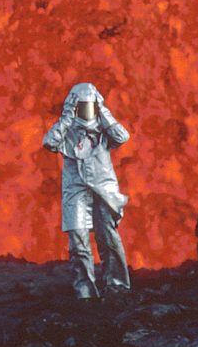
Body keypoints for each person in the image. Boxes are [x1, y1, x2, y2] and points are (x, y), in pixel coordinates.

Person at [42, 82, 131, 299]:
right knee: (78, 240)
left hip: (103, 188)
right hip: (76, 190)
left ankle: (117, 286)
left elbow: (122, 136)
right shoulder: (67, 130)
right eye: (82, 106)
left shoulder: (103, 128)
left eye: (90, 106)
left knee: (108, 237)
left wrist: (103, 112)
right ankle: (85, 293)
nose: (86, 111)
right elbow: (49, 142)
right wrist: (66, 119)